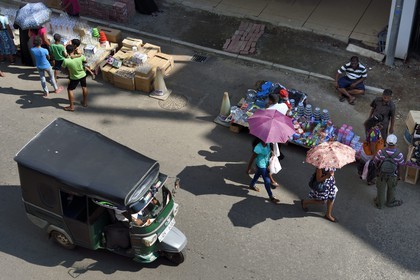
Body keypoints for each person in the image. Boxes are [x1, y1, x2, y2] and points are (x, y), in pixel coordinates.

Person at [373, 134, 405, 209]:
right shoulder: (399, 155)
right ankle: (390, 202)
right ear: (396, 143)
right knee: (392, 189)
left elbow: (375, 161)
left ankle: (379, 203)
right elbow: (401, 166)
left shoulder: (381, 152)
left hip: (381, 174)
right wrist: (399, 176)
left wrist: (377, 171)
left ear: (386, 143)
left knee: (380, 189)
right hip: (393, 175)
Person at [61, 44, 88, 111]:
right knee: (84, 87)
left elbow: (62, 69)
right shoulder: (80, 56)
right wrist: (79, 53)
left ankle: (71, 106)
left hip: (74, 77)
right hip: (83, 75)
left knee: (70, 90)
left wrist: (68, 72)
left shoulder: (66, 60)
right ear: (74, 50)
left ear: (67, 51)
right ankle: (84, 102)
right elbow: (86, 60)